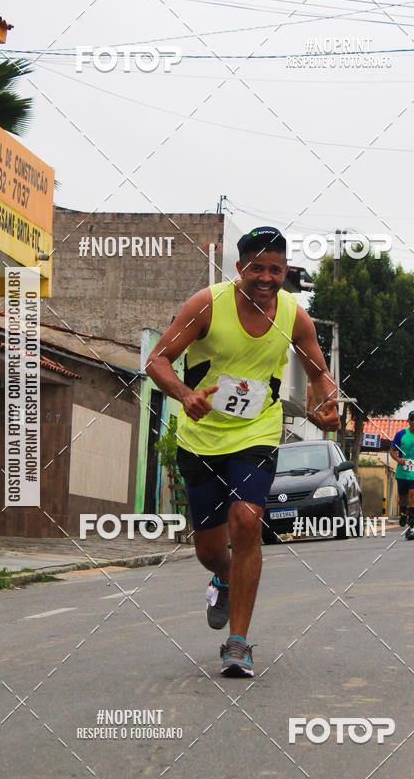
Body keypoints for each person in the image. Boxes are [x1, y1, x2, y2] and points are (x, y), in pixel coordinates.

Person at [145, 226, 341, 676]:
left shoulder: (294, 316)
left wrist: (326, 406)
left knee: (248, 521)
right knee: (211, 551)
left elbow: (318, 374)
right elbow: (157, 359)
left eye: (276, 269)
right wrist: (183, 394)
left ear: (285, 270)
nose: (267, 278)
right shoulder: (207, 305)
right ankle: (223, 577)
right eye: (258, 268)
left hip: (256, 431)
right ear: (240, 269)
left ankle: (238, 643)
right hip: (200, 437)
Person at [390, 411, 414, 541]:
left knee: (413, 496)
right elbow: (392, 450)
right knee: (403, 499)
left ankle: (410, 529)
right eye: (412, 419)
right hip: (402, 472)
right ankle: (402, 514)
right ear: (408, 421)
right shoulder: (401, 434)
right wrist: (398, 460)